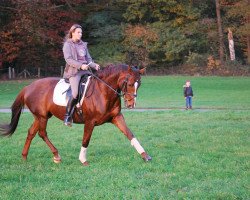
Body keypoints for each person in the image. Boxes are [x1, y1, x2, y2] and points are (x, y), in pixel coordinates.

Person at [62, 24, 100, 126]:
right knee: (75, 93)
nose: (80, 34)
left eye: (81, 32)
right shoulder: (67, 45)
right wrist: (80, 66)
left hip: (86, 71)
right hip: (74, 72)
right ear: (72, 33)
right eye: (78, 32)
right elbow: (69, 59)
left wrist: (94, 65)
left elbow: (88, 59)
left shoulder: (83, 45)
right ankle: (67, 116)